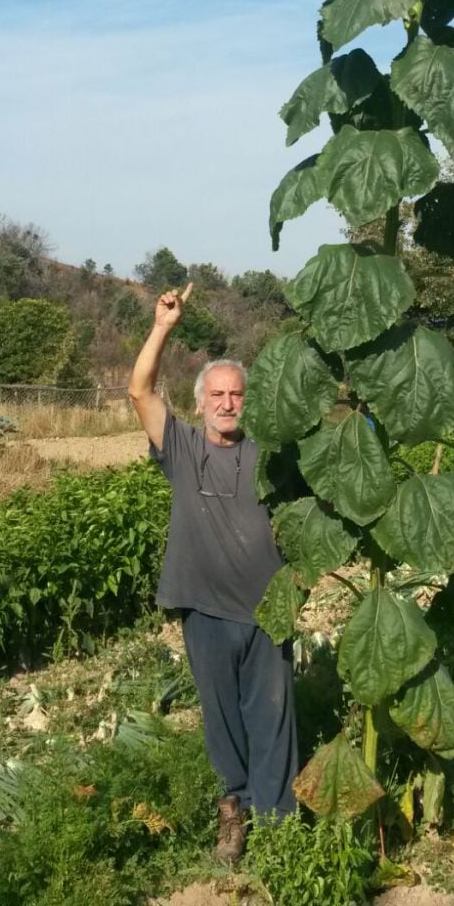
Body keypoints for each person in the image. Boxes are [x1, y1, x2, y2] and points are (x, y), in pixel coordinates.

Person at [128, 284, 298, 863]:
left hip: (268, 608)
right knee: (223, 719)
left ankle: (280, 825)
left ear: (248, 402)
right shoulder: (180, 449)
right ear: (200, 403)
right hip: (204, 608)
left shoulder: (272, 453)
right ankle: (235, 810)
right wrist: (163, 327)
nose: (228, 404)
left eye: (237, 395)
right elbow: (140, 390)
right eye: (218, 395)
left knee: (273, 717)